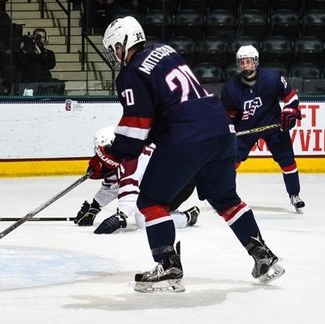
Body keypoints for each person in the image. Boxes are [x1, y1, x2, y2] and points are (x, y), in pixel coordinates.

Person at [87, 16, 284, 292]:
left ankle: (168, 265)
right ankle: (263, 256)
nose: (115, 54)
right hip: (219, 127)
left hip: (186, 133)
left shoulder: (130, 73)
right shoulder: (165, 51)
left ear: (125, 42)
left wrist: (106, 159)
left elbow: (136, 129)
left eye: (115, 48)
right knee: (226, 199)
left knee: (151, 201)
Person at [221, 45, 305, 213]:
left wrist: (290, 110)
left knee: (287, 160)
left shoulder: (272, 78)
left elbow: (291, 98)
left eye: (249, 62)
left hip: (273, 125)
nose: (245, 66)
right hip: (245, 129)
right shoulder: (230, 88)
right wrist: (228, 132)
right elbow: (228, 117)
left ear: (256, 62)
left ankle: (294, 195)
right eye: (242, 62)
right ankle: (226, 197)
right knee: (231, 162)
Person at [74, 127, 200, 234]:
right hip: (169, 181)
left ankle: (187, 218)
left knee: (143, 217)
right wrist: (93, 208)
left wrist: (121, 215)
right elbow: (112, 186)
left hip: (181, 183)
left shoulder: (137, 154)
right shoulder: (125, 153)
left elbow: (130, 185)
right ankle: (165, 211)